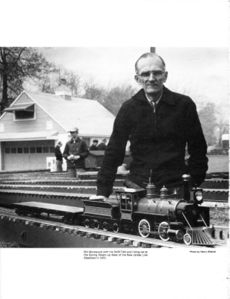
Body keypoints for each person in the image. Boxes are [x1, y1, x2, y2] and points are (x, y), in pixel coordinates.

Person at [95, 52, 208, 200]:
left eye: (157, 73)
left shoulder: (183, 105)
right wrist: (102, 192)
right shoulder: (128, 109)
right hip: (137, 188)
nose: (151, 78)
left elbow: (198, 149)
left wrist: (192, 182)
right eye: (145, 74)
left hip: (176, 188)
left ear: (165, 75)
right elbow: (113, 152)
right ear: (137, 78)